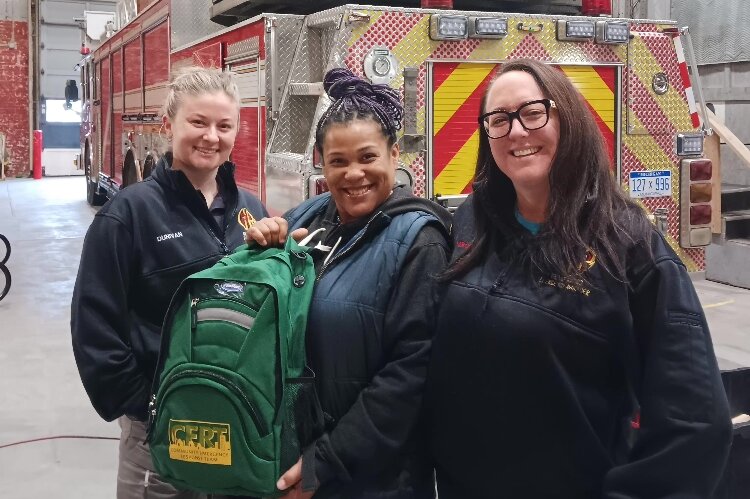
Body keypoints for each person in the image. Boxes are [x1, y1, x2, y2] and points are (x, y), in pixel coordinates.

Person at [426, 58, 732, 498]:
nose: (516, 131)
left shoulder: (629, 245)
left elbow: (696, 422)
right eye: (499, 120)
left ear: (565, 117)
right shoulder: (473, 221)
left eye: (533, 113)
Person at [245, 67, 451, 498]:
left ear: (395, 155)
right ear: (321, 163)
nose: (353, 173)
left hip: (372, 478)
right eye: (338, 161)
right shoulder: (307, 218)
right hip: (294, 460)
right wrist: (263, 255)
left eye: (367, 157)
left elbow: (408, 376)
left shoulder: (419, 240)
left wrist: (325, 462)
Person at [71, 66, 268, 499]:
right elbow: (95, 328)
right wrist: (147, 407)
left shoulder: (249, 209)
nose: (211, 137)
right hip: (161, 431)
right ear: (168, 124)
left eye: (224, 125)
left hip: (237, 420)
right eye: (198, 122)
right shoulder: (129, 215)